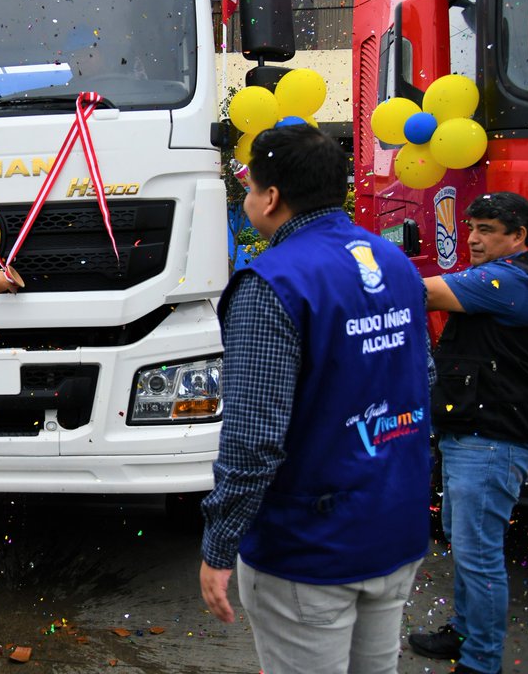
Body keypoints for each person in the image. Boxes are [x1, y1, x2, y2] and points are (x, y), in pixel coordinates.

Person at [198, 123, 433, 674]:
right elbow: (419, 381)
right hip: (393, 529)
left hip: (310, 548)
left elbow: (253, 441)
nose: (249, 197)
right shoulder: (392, 262)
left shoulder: (272, 282)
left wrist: (219, 543)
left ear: (271, 197)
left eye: (251, 187)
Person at [409, 192, 528, 674]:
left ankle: (481, 661)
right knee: (464, 540)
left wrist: (367, 264)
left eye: (488, 229)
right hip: (473, 430)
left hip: (494, 438)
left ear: (518, 237)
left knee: (478, 554)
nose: (473, 237)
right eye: (472, 227)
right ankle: (466, 632)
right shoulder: (499, 276)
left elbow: (423, 292)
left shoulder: (511, 280)